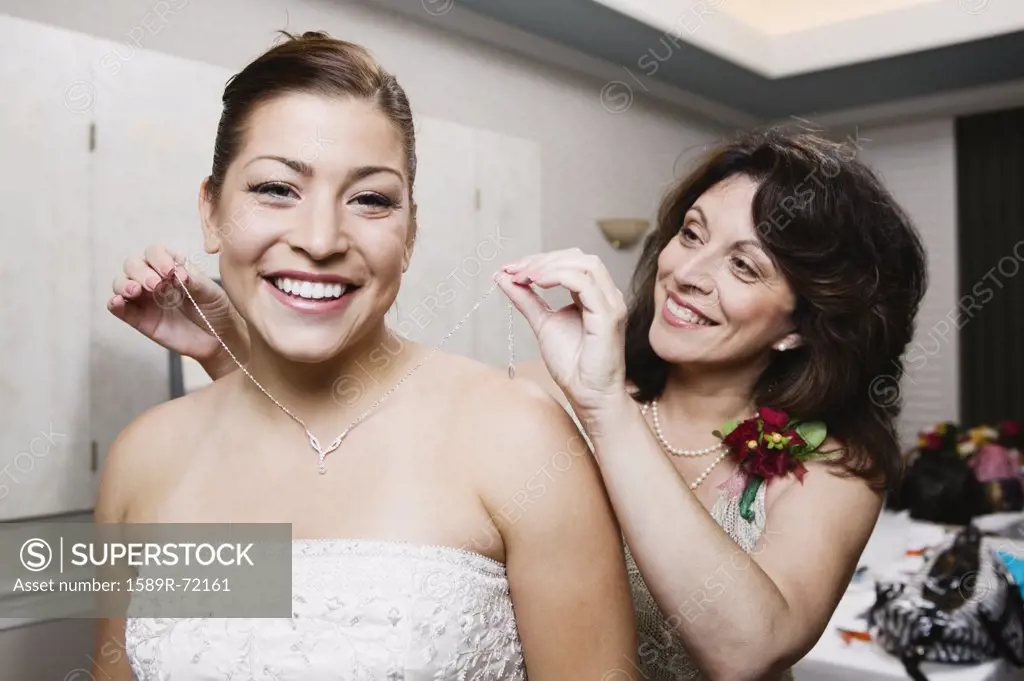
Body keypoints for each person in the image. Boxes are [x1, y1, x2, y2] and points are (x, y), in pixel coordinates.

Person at [111, 113, 926, 680]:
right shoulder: (534, 402)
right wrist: (234, 358)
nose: (688, 275)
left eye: (744, 267)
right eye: (691, 234)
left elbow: (747, 649)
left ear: (801, 324)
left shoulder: (834, 462)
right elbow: (364, 465)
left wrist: (604, 403)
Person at [94, 32, 637, 681]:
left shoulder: (519, 435)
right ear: (211, 211)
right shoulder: (144, 455)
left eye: (371, 199)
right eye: (276, 188)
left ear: (408, 234)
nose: (320, 239)